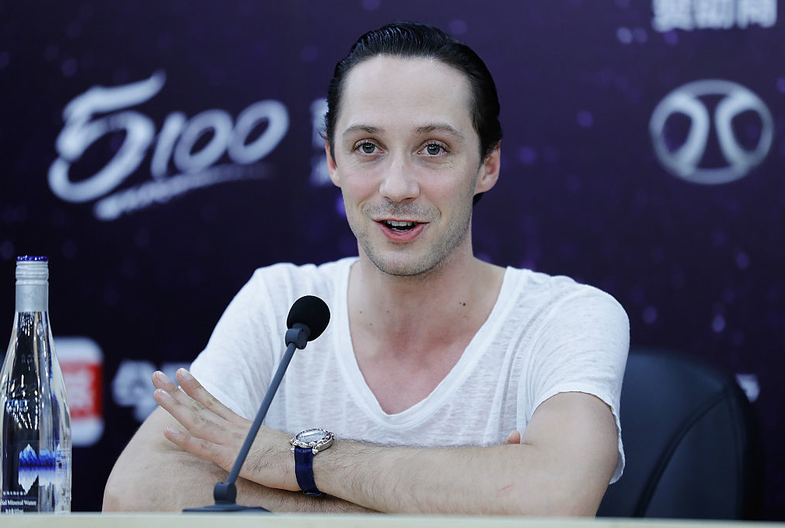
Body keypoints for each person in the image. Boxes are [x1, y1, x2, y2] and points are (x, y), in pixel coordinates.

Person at [103, 21, 629, 515]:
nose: (397, 186)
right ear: (333, 160)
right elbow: (135, 492)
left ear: (487, 165)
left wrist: (291, 459)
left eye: (433, 148)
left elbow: (557, 493)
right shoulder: (279, 299)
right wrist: (455, 498)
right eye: (368, 147)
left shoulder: (566, 316)